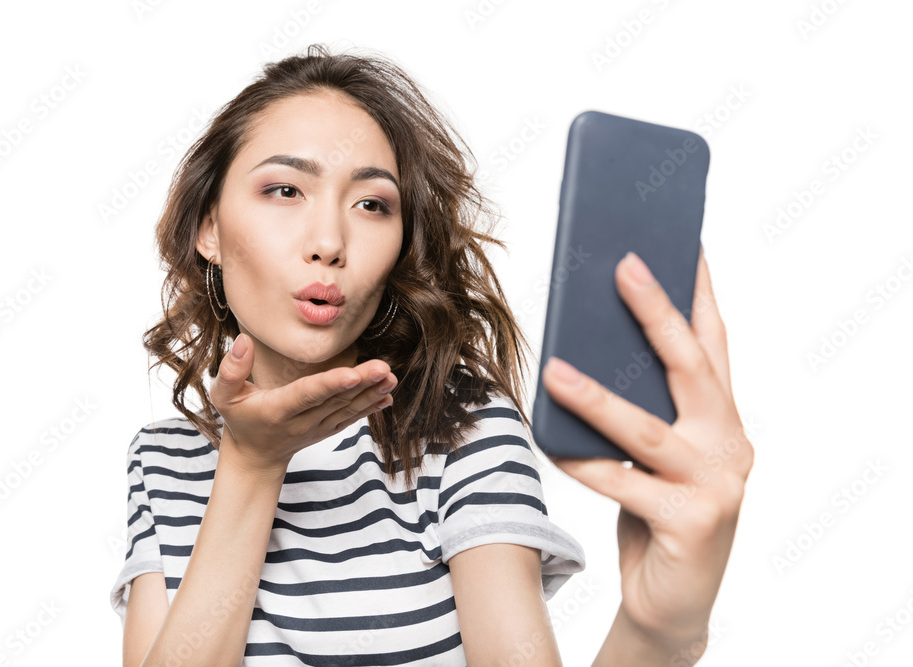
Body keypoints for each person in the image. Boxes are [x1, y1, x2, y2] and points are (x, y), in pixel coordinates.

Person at [110, 42, 753, 666]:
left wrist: (657, 631)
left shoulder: (461, 429)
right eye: (284, 190)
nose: (329, 241)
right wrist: (251, 468)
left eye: (371, 204)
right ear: (210, 230)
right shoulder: (165, 460)